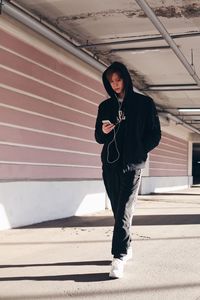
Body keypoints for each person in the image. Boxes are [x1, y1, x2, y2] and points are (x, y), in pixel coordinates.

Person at [95, 61, 161, 279]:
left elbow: (155, 134)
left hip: (132, 165)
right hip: (110, 165)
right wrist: (104, 132)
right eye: (111, 81)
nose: (115, 84)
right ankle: (127, 244)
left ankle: (119, 256)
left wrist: (140, 151)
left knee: (123, 209)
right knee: (117, 210)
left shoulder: (144, 103)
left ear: (125, 78)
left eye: (118, 79)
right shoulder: (105, 107)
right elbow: (98, 137)